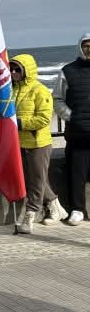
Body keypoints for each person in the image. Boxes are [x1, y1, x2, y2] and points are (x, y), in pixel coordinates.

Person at [10, 54, 67, 233]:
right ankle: (56, 207)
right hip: (20, 142)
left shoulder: (40, 90)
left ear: (27, 70)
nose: (13, 72)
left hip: (38, 143)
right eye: (11, 69)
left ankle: (31, 215)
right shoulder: (12, 90)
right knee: (36, 178)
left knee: (35, 181)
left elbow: (43, 119)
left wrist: (19, 123)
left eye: (17, 69)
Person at [54, 32, 90, 226]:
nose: (89, 49)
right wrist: (73, 117)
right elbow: (57, 100)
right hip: (78, 135)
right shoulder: (67, 71)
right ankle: (77, 210)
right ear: (80, 47)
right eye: (86, 45)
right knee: (76, 174)